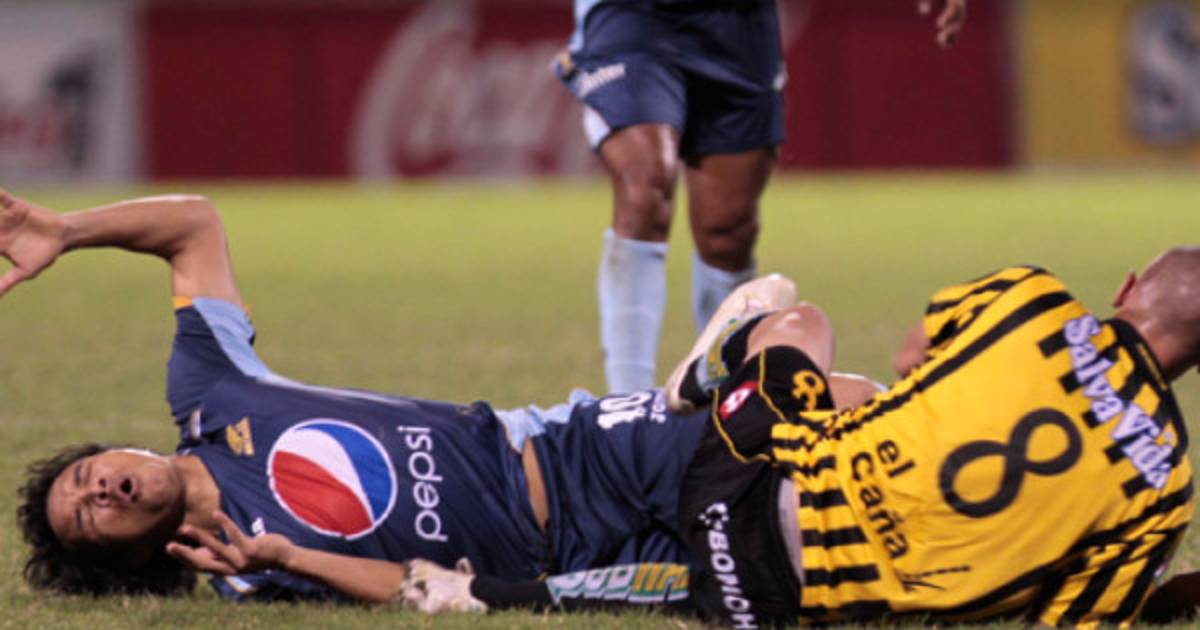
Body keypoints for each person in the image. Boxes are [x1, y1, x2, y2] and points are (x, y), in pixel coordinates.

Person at [4, 189, 876, 602]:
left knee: (839, 383)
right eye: (90, 519)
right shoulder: (251, 575)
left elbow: (193, 224)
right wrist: (288, 559)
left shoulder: (211, 391)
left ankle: (710, 383)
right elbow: (413, 591)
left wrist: (67, 232)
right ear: (130, 560)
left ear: (114, 451)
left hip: (576, 452)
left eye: (85, 475)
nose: (100, 491)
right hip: (579, 562)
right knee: (824, 543)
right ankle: (728, 382)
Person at [397, 249, 1200, 626]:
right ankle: (489, 597)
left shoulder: (1034, 300)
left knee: (804, 328)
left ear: (1127, 287)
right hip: (807, 603)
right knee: (714, 583)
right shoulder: (1164, 485)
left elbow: (912, 357)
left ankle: (708, 373)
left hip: (744, 474)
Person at [556, 0, 969, 393]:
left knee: (727, 231)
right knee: (646, 185)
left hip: (739, 28)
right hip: (633, 17)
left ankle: (720, 401)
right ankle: (623, 403)